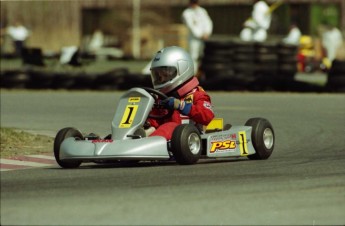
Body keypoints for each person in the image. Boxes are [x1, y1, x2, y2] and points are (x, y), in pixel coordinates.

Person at [145, 46, 214, 140]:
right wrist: (147, 126)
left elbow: (208, 116)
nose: (161, 78)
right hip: (168, 140)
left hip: (191, 139)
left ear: (182, 70)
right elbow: (155, 122)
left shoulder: (197, 94)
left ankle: (149, 145)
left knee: (170, 126)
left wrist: (181, 105)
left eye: (165, 73)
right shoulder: (162, 97)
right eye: (158, 74)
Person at [182, 0, 213, 73]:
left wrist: (207, 32)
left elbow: (208, 22)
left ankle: (201, 72)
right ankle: (193, 73)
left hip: (205, 37)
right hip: (194, 39)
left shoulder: (202, 11)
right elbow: (191, 26)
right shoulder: (187, 13)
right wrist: (200, 35)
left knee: (202, 55)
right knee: (194, 56)